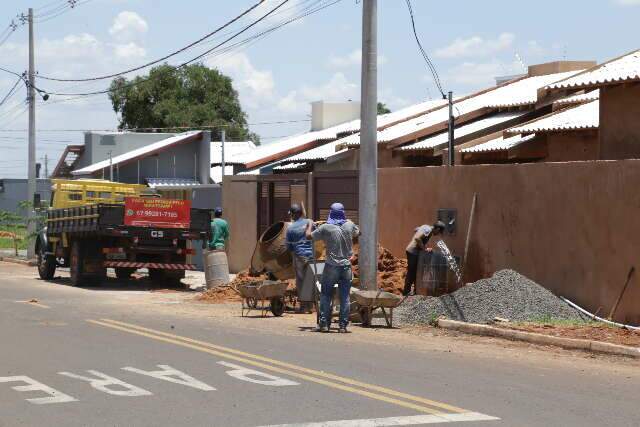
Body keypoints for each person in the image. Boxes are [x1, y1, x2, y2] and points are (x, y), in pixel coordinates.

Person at [306, 202, 359, 333]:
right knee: (345, 296)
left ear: (330, 213)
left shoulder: (326, 227)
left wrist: (309, 225)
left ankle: (324, 324)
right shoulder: (349, 225)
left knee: (325, 295)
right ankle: (342, 326)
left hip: (331, 266)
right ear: (343, 213)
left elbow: (309, 237)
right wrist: (350, 224)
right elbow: (359, 233)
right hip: (346, 267)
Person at [403, 220, 446, 296]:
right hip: (413, 252)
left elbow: (416, 229)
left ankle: (415, 292)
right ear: (437, 229)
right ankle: (406, 292)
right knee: (412, 273)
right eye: (439, 232)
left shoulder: (426, 226)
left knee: (415, 272)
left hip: (411, 251)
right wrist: (425, 249)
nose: (438, 234)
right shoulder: (428, 230)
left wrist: (424, 246)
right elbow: (417, 239)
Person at [285, 204, 314, 312]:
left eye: (291, 214)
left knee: (301, 281)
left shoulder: (290, 228)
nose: (291, 216)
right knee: (309, 280)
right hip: (311, 255)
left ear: (294, 214)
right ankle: (310, 306)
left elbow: (289, 246)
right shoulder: (309, 222)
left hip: (299, 256)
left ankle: (303, 307)